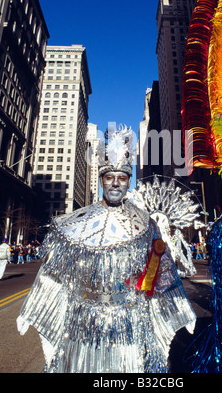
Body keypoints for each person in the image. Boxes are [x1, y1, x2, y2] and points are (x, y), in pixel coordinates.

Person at [16, 125, 196, 373]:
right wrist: (31, 311)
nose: (115, 183)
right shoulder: (75, 223)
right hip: (82, 324)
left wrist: (181, 311)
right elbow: (53, 274)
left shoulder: (146, 225)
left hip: (129, 324)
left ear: (128, 182)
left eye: (121, 178)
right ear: (101, 180)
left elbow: (163, 273)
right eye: (109, 177)